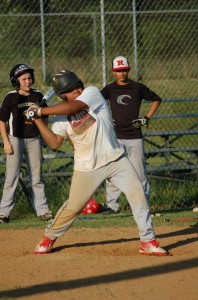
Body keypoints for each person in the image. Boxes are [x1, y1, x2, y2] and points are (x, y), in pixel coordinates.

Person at [27, 69, 169, 256]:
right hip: (87, 167)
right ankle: (49, 236)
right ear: (62, 96)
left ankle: (147, 241)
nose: (76, 89)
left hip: (116, 159)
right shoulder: (60, 117)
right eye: (70, 89)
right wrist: (37, 119)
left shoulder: (91, 93)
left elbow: (74, 107)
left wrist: (40, 110)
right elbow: (54, 143)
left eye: (77, 85)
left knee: (138, 194)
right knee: (74, 208)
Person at [101, 56, 162, 213]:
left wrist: (145, 118)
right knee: (113, 171)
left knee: (139, 171)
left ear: (128, 70)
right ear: (114, 72)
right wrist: (107, 120)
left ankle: (144, 204)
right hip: (116, 137)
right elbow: (97, 104)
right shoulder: (109, 89)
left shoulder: (137, 87)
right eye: (118, 71)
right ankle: (112, 206)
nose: (122, 73)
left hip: (134, 136)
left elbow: (156, 99)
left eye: (124, 70)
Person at [0, 64, 53, 223]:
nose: (28, 81)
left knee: (37, 177)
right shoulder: (10, 97)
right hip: (15, 140)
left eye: (29, 78)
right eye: (23, 79)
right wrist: (6, 142)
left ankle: (42, 210)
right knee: (12, 177)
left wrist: (44, 135)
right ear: (16, 81)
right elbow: (2, 121)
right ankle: (4, 212)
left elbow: (45, 116)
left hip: (34, 139)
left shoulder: (38, 96)